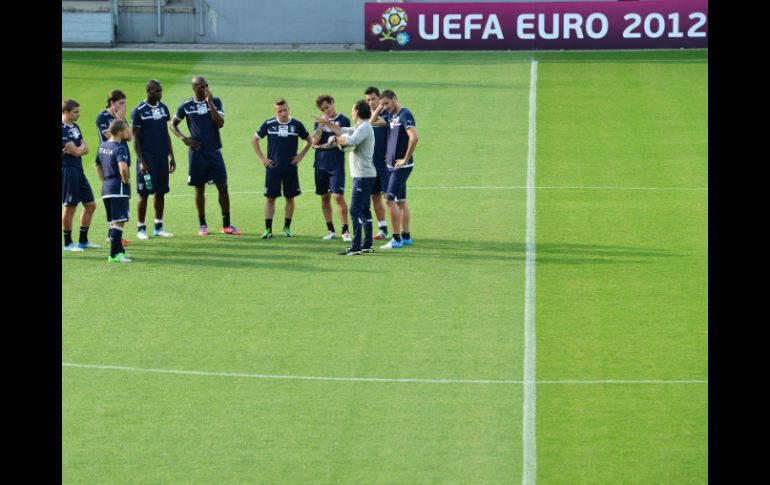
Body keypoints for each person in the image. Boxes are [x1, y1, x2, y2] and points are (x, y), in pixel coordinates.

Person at [171, 76, 241, 236]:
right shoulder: (186, 105)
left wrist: (210, 103)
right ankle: (202, 225)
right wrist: (184, 138)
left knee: (223, 186)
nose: (205, 88)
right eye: (201, 86)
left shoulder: (216, 101)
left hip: (214, 151)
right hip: (197, 153)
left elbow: (220, 123)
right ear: (194, 88)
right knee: (199, 188)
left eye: (206, 85)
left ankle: (226, 225)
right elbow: (172, 124)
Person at [320, 100, 377, 255]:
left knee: (354, 209)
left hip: (363, 175)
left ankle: (356, 246)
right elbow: (342, 129)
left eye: (353, 110)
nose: (351, 113)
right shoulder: (360, 126)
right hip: (364, 174)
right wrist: (327, 123)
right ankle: (367, 245)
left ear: (357, 112)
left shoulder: (364, 127)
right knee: (364, 210)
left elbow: (351, 140)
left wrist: (334, 140)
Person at [251, 98, 313, 238]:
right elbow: (254, 139)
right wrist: (262, 158)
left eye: (285, 110)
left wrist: (300, 156)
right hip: (273, 169)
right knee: (270, 199)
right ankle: (268, 229)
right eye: (280, 111)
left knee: (290, 198)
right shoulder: (269, 124)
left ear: (288, 109)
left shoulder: (296, 125)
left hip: (290, 168)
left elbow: (309, 140)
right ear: (275, 111)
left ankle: (286, 228)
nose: (283, 113)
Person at [370, 90, 419, 249]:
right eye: (382, 104)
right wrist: (380, 108)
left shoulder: (405, 114)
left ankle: (396, 239)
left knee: (389, 200)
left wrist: (405, 158)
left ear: (395, 99)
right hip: (392, 166)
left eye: (386, 103)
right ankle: (405, 236)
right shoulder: (390, 115)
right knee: (400, 201)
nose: (384, 107)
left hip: (401, 166)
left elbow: (414, 137)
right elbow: (372, 121)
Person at [131, 79, 176, 240]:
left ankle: (158, 226)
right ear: (149, 92)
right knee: (143, 193)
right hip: (147, 158)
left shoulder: (163, 109)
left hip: (162, 157)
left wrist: (172, 156)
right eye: (157, 91)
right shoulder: (139, 111)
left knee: (161, 192)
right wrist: (142, 161)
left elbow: (166, 134)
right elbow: (135, 138)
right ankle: (141, 228)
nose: (160, 93)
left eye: (161, 90)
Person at [311, 95, 351, 242]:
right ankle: (330, 230)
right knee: (324, 197)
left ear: (333, 103)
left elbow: (345, 140)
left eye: (327, 107)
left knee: (338, 196)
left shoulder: (344, 120)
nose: (326, 111)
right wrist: (321, 125)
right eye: (323, 109)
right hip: (320, 165)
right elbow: (314, 141)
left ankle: (345, 230)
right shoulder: (320, 122)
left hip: (336, 165)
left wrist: (323, 144)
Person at [95, 90, 133, 246]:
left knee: (121, 199)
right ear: (112, 102)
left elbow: (129, 137)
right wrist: (119, 119)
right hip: (110, 162)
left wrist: (122, 119)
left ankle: (114, 236)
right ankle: (113, 238)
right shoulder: (102, 117)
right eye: (121, 103)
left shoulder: (121, 119)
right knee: (116, 199)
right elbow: (109, 137)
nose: (124, 106)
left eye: (125, 103)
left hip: (123, 159)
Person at [62, 99, 99, 251]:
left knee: (90, 205)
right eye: (75, 112)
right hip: (68, 171)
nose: (79, 115)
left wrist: (78, 149)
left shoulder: (75, 127)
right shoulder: (62, 129)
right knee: (70, 207)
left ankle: (83, 241)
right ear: (66, 112)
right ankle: (68, 243)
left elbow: (86, 148)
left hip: (78, 170)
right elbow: (78, 151)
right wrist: (78, 149)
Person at [363, 87, 390, 240]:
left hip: (385, 164)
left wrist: (379, 107)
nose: (371, 102)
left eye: (373, 99)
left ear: (380, 99)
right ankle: (383, 228)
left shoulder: (387, 115)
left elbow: (374, 120)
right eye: (368, 100)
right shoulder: (366, 117)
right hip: (370, 165)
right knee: (375, 197)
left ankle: (398, 232)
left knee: (389, 198)